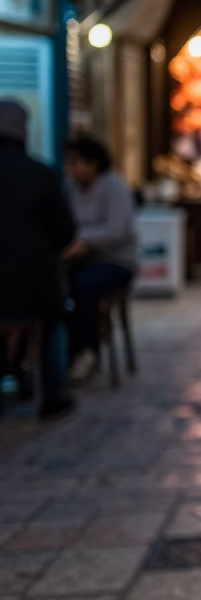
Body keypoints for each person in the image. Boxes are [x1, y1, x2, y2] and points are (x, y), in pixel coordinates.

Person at [0, 101, 78, 418]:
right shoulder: (41, 174)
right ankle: (53, 395)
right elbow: (64, 233)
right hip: (34, 282)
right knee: (52, 322)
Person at [63, 136, 137, 382]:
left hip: (116, 261)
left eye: (75, 162)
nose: (71, 169)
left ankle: (87, 351)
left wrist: (83, 241)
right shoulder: (70, 188)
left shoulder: (114, 187)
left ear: (93, 163)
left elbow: (116, 230)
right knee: (58, 287)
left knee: (84, 286)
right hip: (81, 260)